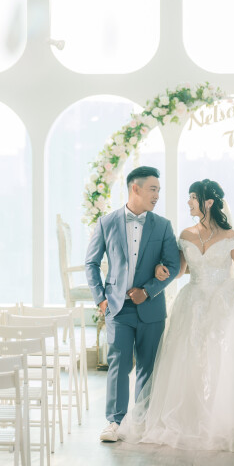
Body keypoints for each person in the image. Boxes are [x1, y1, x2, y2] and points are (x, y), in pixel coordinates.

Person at [117, 178, 234, 451]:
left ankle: (223, 416)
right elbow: (179, 271)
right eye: (189, 197)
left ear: (209, 202)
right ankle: (188, 414)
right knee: (187, 356)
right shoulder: (185, 235)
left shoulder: (231, 235)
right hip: (192, 300)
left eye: (193, 197)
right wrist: (159, 271)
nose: (189, 202)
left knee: (221, 355)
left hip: (223, 299)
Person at [85, 166, 181, 443]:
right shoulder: (106, 222)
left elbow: (173, 265)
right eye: (153, 189)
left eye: (159, 190)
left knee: (148, 367)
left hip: (152, 308)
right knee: (119, 364)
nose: (157, 195)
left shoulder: (163, 225)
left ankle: (142, 422)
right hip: (117, 308)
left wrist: (148, 291)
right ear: (135, 188)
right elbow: (91, 263)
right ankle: (114, 422)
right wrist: (101, 299)